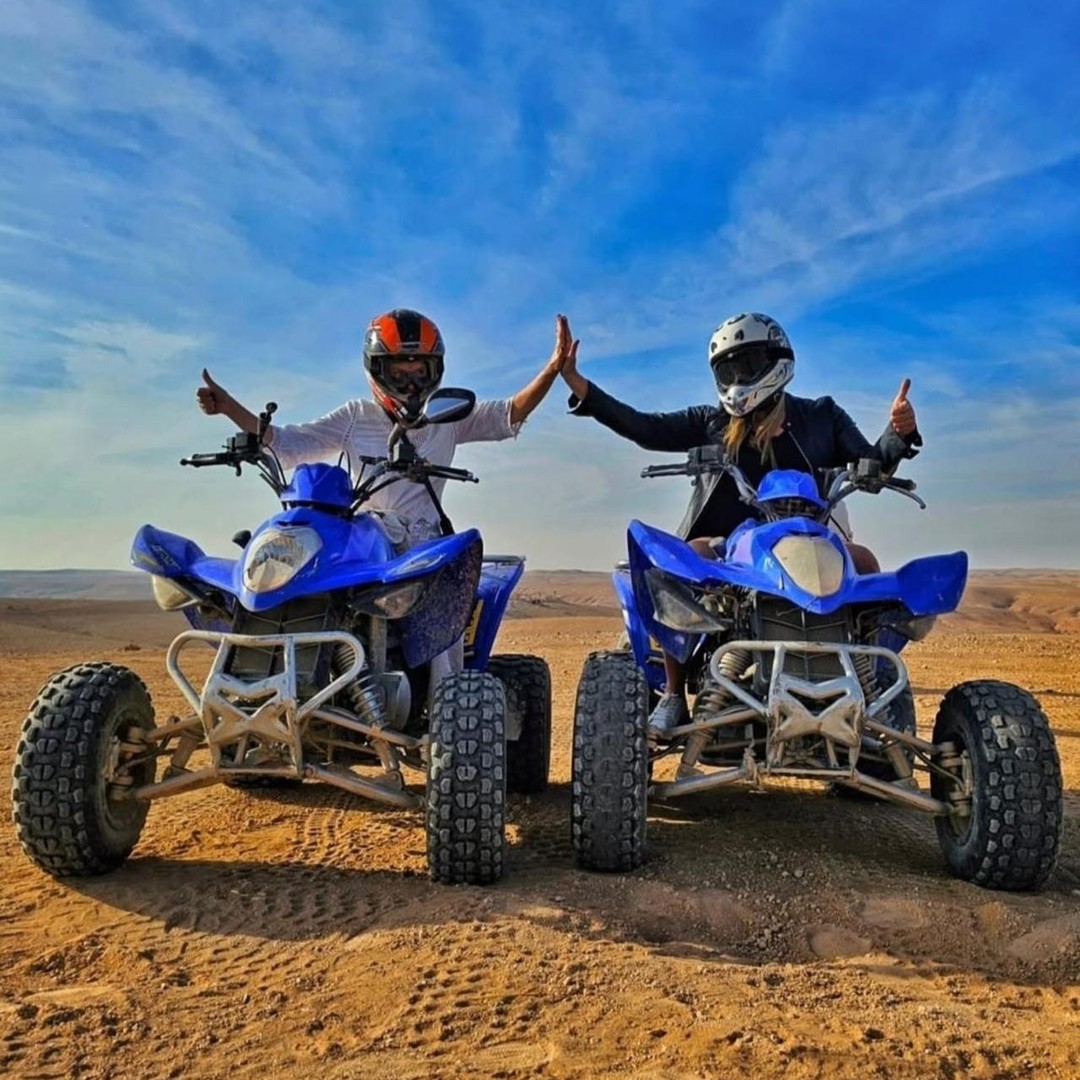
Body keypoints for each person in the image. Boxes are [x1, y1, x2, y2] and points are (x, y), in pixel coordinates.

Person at [558, 311, 922, 738]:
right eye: (727, 369)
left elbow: (870, 466)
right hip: (731, 548)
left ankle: (871, 690)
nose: (736, 378)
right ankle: (675, 694)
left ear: (776, 361)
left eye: (744, 366)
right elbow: (646, 427)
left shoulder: (823, 416)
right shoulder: (712, 422)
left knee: (863, 560)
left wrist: (898, 433)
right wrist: (578, 384)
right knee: (685, 557)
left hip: (808, 537)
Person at [197, 307, 572, 693]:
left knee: (442, 617)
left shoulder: (447, 416)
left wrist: (552, 369)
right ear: (377, 371)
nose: (410, 384)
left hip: (423, 543)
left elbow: (507, 415)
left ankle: (449, 710)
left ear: (435, 371)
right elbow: (291, 444)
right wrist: (229, 408)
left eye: (419, 372)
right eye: (399, 373)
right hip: (363, 537)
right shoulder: (357, 416)